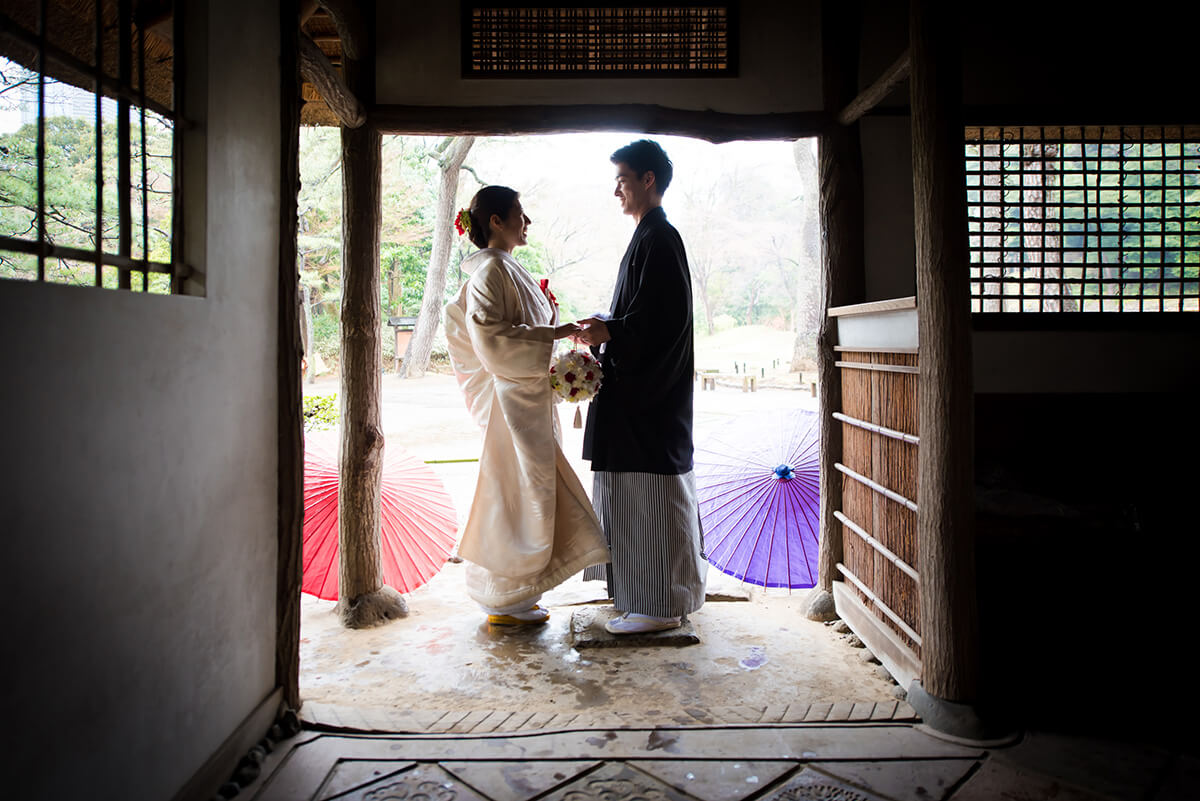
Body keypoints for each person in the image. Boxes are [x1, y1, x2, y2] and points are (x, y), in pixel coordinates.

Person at [443, 185, 610, 626]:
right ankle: (502, 596)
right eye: (519, 213)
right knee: (518, 495)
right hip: (513, 404)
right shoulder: (489, 273)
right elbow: (492, 339)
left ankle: (515, 595)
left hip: (531, 398)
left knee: (529, 494)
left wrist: (560, 365)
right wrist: (555, 337)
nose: (527, 221)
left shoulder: (505, 268)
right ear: (496, 222)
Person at [574, 140, 707, 635]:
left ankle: (659, 607)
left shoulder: (661, 237)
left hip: (650, 405)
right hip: (640, 402)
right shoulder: (649, 236)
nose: (616, 191)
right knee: (636, 503)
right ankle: (644, 599)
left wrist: (615, 331)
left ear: (647, 180)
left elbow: (662, 323)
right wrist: (610, 324)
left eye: (623, 180)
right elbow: (640, 315)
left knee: (650, 502)